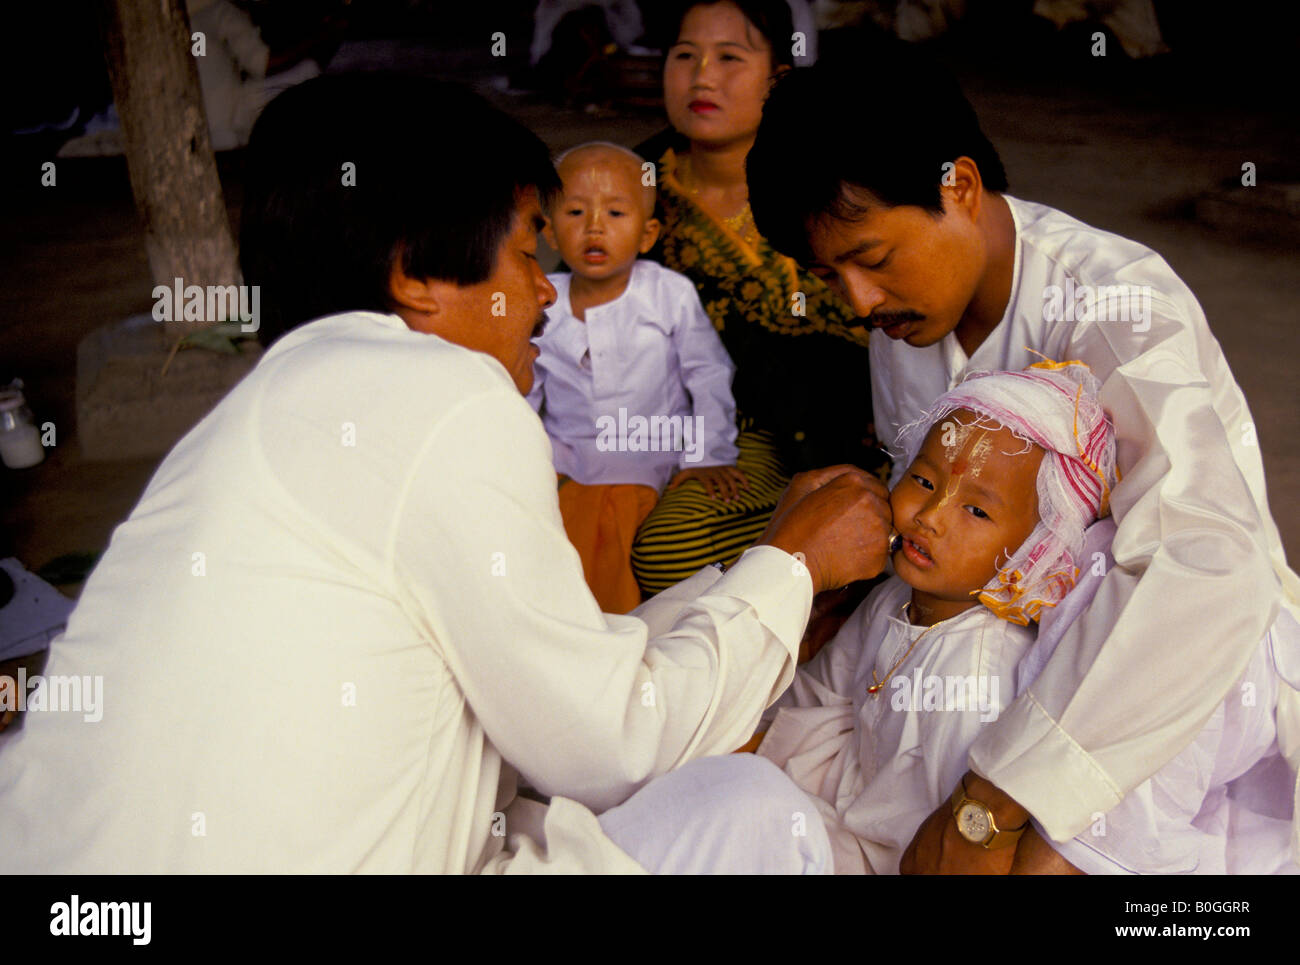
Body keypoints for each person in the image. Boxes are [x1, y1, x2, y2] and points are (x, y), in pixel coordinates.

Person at [0, 73, 896, 874]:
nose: (546, 290)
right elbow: (605, 738)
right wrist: (794, 571)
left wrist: (758, 590)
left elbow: (555, 673)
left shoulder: (277, 401)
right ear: (416, 275)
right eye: (524, 252)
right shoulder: (443, 394)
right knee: (757, 817)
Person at [745, 38, 1300, 871]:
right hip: (995, 652)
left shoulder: (1116, 306)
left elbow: (1202, 565)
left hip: (1171, 662)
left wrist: (995, 797)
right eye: (830, 277)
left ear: (958, 186)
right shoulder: (907, 319)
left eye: (871, 260)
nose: (858, 301)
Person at [756, 363, 1296, 874]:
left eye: (977, 510)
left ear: (1035, 551)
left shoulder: (978, 670)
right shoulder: (890, 598)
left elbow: (934, 843)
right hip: (844, 820)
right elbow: (815, 704)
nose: (930, 516)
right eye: (922, 480)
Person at [629, 0, 889, 599]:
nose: (702, 77)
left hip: (860, 425)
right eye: (685, 55)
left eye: (729, 57)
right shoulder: (630, 189)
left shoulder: (828, 181)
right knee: (664, 548)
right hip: (719, 430)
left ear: (778, 76)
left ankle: (849, 541)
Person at [527, 142, 743, 613]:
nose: (594, 227)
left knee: (616, 512)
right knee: (534, 511)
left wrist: (710, 453)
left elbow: (707, 371)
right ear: (548, 233)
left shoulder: (667, 293)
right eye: (576, 211)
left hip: (647, 445)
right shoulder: (545, 299)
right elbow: (527, 390)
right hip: (566, 449)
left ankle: (610, 625)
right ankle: (548, 620)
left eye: (616, 212)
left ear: (647, 235)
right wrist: (520, 456)